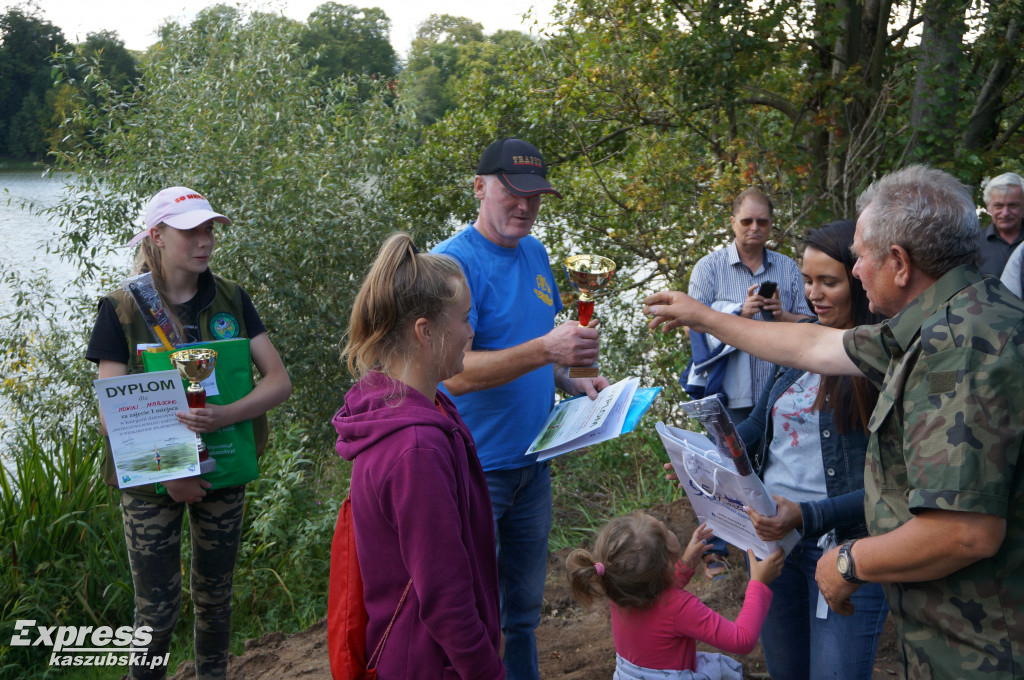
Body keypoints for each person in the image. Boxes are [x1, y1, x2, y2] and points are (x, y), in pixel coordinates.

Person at [643, 165, 1024, 679]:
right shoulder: (941, 319)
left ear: (899, 263)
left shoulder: (959, 348)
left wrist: (849, 561)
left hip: (983, 644)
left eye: (860, 258)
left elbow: (965, 532)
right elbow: (811, 346)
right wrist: (702, 316)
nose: (858, 268)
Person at [86, 186, 292, 680]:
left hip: (222, 465)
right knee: (155, 615)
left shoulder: (230, 299)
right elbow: (111, 411)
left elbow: (279, 382)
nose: (204, 241)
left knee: (215, 602)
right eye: (190, 232)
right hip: (152, 479)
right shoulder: (121, 309)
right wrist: (173, 474)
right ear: (156, 236)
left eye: (208, 230)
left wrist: (226, 416)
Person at [432, 137, 609, 680]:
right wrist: (547, 350)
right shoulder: (450, 263)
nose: (525, 206)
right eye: (513, 192)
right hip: (475, 469)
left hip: (535, 464)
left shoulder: (535, 253)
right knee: (473, 615)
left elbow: (542, 353)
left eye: (535, 196)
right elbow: (453, 373)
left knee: (524, 615)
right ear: (480, 188)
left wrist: (575, 380)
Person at [333, 233, 504, 679]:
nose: (472, 331)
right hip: (429, 663)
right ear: (425, 332)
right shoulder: (415, 449)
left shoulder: (423, 407)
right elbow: (446, 596)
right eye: (465, 318)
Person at [734, 220, 888, 680]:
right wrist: (706, 454)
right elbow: (758, 426)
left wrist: (806, 515)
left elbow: (891, 489)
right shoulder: (800, 346)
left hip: (845, 552)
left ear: (859, 282)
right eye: (806, 280)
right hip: (774, 546)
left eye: (829, 282)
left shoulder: (879, 366)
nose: (814, 294)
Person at [686, 188, 812, 578]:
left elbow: (813, 323)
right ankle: (717, 548)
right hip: (730, 391)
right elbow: (695, 325)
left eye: (763, 222)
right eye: (747, 221)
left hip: (782, 391)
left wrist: (780, 313)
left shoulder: (788, 268)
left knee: (771, 470)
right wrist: (737, 314)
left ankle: (772, 552)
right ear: (733, 222)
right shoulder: (708, 268)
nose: (755, 229)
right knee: (728, 470)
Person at [566, 512, 784, 680]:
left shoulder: (620, 588)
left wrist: (687, 563)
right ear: (665, 564)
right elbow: (742, 640)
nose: (666, 527)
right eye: (664, 528)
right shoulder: (679, 607)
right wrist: (758, 584)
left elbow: (656, 594)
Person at [977, 171, 1024, 276]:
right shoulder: (973, 245)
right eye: (998, 206)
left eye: (1013, 206)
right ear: (989, 207)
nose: (1005, 213)